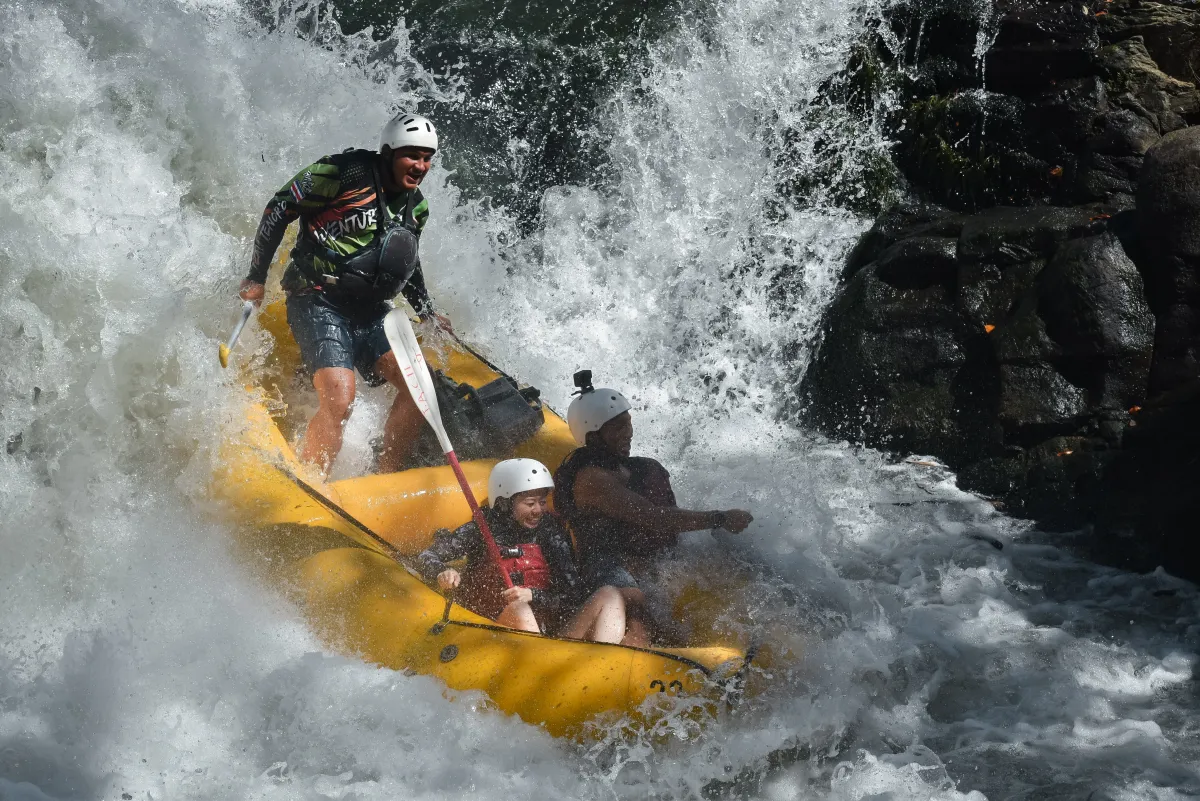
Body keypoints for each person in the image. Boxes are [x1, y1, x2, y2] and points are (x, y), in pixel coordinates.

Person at [237, 113, 452, 476]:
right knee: (340, 398)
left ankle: (386, 475)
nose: (420, 166)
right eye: (412, 156)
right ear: (389, 153)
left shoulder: (416, 207)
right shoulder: (341, 173)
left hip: (370, 309)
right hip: (317, 298)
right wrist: (256, 277)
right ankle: (313, 480)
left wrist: (427, 310)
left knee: (421, 389)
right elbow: (279, 208)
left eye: (427, 158)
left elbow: (405, 260)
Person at [553, 371, 753, 642]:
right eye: (618, 428)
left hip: (637, 558)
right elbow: (653, 517)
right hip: (603, 565)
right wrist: (720, 518)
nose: (628, 433)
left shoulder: (626, 467)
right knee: (639, 619)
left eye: (628, 424)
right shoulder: (592, 479)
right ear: (593, 436)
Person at [416, 459, 640, 644]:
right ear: (505, 503)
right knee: (520, 609)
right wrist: (443, 572)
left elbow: (572, 596)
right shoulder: (481, 529)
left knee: (610, 595)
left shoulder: (550, 533)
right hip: (494, 629)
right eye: (530, 503)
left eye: (542, 502)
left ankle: (603, 663)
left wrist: (535, 595)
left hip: (551, 638)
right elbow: (426, 555)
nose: (538, 510)